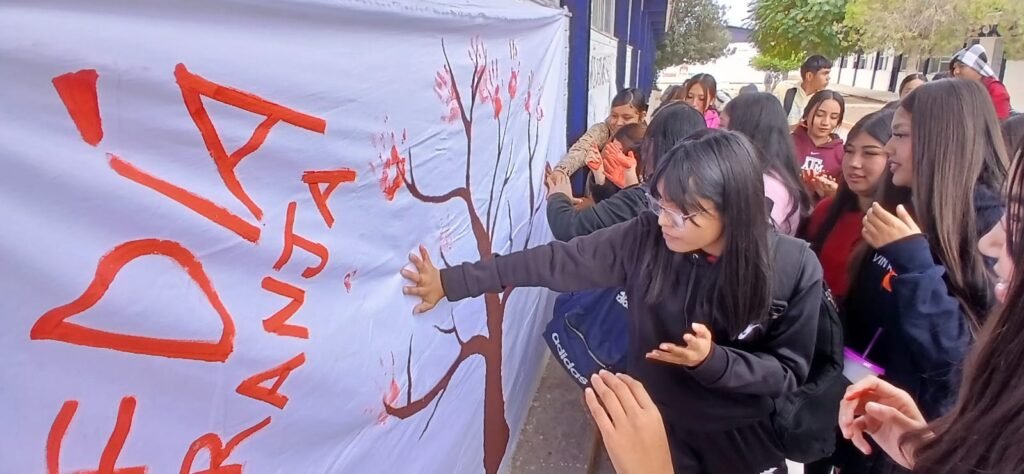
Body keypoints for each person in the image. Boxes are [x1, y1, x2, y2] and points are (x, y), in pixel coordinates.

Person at [402, 130, 824, 473]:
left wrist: (713, 361)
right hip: (652, 426)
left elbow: (788, 373)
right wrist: (451, 281)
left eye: (683, 213)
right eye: (659, 202)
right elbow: (554, 262)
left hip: (740, 442)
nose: (664, 220)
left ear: (732, 211)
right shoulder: (645, 238)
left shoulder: (793, 267)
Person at [837, 144, 1024, 473]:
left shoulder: (964, 234)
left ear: (944, 137)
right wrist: (923, 448)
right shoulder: (894, 210)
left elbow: (955, 356)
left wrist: (916, 266)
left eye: (1017, 219)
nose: (989, 242)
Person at [546, 103, 706, 241]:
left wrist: (559, 196)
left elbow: (569, 227)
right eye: (614, 115)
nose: (663, 220)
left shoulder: (647, 197)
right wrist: (609, 182)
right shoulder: (694, 192)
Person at [803, 110, 895, 302]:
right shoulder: (826, 210)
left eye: (870, 153)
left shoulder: (900, 231)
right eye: (849, 151)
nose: (854, 163)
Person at [723, 92, 812, 235]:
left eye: (722, 127)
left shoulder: (767, 188)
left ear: (743, 132)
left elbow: (750, 241)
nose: (715, 135)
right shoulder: (759, 176)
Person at [552, 88, 648, 178]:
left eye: (626, 118)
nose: (619, 123)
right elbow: (582, 148)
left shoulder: (649, 141)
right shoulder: (604, 131)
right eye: (614, 116)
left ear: (642, 116)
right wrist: (562, 170)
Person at [792, 90, 846, 189]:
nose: (825, 122)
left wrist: (832, 192)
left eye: (833, 117)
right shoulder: (787, 143)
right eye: (819, 115)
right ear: (806, 114)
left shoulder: (842, 154)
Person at [587, 123, 647, 204]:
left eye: (618, 151)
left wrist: (630, 184)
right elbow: (606, 204)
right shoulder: (615, 170)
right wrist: (598, 173)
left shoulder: (653, 179)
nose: (612, 154)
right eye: (612, 148)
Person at [951, 44, 1013, 119]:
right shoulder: (957, 89)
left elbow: (999, 123)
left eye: (961, 66)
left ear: (977, 67)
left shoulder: (995, 89)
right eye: (954, 68)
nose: (956, 72)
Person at [774, 55, 833, 129]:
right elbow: (769, 123)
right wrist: (795, 127)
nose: (828, 78)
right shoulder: (784, 90)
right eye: (825, 73)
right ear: (809, 76)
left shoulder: (825, 99)